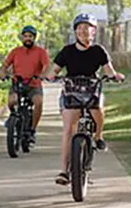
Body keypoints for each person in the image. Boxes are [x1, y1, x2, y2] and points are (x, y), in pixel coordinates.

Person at [44, 13, 125, 185]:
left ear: (93, 31)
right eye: (79, 28)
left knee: (98, 111)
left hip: (92, 89)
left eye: (86, 28)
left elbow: (108, 70)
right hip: (71, 91)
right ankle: (64, 171)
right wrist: (50, 77)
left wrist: (115, 76)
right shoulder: (67, 51)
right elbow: (55, 70)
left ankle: (98, 136)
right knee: (68, 129)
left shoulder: (98, 51)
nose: (83, 31)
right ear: (75, 32)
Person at [0, 25, 49, 144]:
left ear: (34, 38)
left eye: (30, 36)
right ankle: (13, 117)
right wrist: (2, 73)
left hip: (34, 84)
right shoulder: (16, 52)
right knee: (12, 101)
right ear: (22, 38)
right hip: (18, 83)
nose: (28, 39)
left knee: (38, 102)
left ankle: (32, 130)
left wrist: (43, 75)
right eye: (25, 36)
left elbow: (47, 66)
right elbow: (4, 66)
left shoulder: (41, 52)